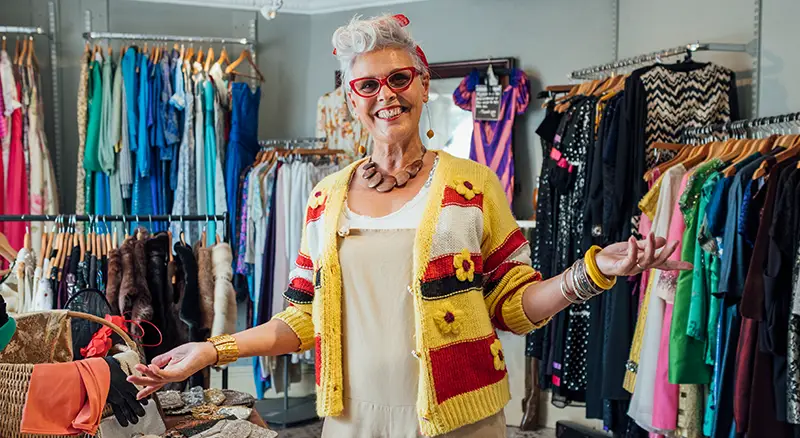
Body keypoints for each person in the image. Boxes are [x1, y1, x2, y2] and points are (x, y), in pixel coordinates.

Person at [128, 14, 690, 437]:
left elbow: (513, 307)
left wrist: (591, 271)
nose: (385, 95)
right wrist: (211, 351)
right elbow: (303, 318)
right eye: (367, 85)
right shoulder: (325, 198)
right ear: (352, 101)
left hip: (459, 419)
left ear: (423, 86)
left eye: (399, 79)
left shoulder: (473, 185)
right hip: (352, 419)